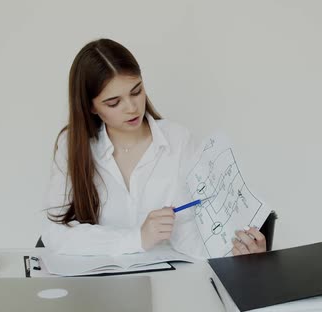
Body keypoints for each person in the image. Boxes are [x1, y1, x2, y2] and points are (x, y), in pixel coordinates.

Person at [42, 38, 266, 258]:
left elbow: (197, 234)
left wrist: (241, 253)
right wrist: (137, 238)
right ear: (90, 107)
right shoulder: (72, 147)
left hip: (168, 281)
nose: (131, 108)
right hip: (100, 286)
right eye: (114, 102)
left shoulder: (178, 140)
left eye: (136, 91)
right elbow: (55, 234)